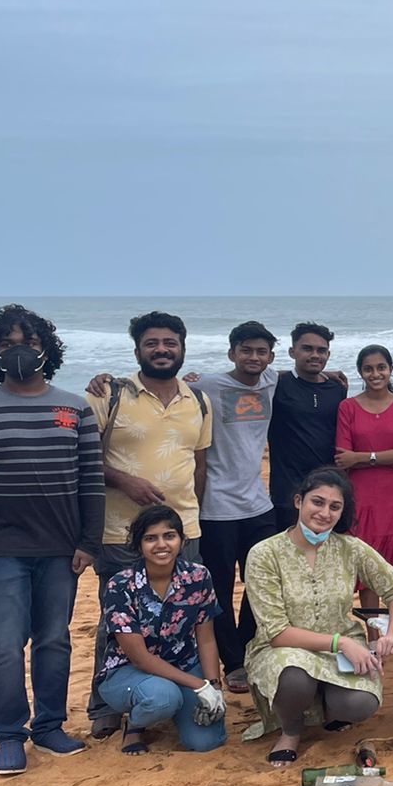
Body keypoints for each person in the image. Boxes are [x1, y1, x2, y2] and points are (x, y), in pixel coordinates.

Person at [0, 305, 102, 774]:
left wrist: (88, 542)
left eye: (30, 344)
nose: (19, 352)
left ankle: (50, 725)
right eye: (7, 345)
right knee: (1, 643)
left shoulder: (74, 409)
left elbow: (91, 481)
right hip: (0, 553)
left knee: (54, 641)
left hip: (61, 551)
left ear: (46, 350)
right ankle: (9, 734)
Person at [86, 311, 213, 738]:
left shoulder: (198, 400)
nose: (162, 350)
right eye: (152, 343)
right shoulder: (110, 394)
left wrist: (193, 514)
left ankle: (175, 691)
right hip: (121, 531)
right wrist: (123, 480)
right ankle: (104, 703)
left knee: (184, 617)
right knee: (117, 619)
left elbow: (199, 463)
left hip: (185, 530)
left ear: (182, 347)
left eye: (170, 343)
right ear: (137, 349)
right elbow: (83, 457)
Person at [242, 468, 393, 765]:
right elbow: (277, 632)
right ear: (298, 501)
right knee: (293, 677)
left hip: (341, 648)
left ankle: (329, 708)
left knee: (361, 704)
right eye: (317, 502)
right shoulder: (264, 554)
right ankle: (291, 730)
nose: (324, 513)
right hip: (286, 649)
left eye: (335, 506)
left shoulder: (350, 548)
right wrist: (341, 643)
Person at [95, 506, 227, 755]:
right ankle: (135, 724)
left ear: (182, 540)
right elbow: (140, 658)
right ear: (138, 545)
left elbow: (206, 638)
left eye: (169, 535)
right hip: (128, 671)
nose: (161, 544)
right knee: (163, 698)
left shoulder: (198, 576)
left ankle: (175, 705)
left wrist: (214, 685)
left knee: (206, 742)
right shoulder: (120, 584)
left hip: (184, 664)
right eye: (150, 538)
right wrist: (199, 686)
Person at [192, 321, 279, 695]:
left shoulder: (273, 380)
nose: (253, 357)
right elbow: (162, 388)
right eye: (246, 350)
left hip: (259, 505)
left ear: (270, 357)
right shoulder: (206, 385)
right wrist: (106, 382)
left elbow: (307, 374)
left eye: (261, 351)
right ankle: (234, 662)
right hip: (216, 508)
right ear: (232, 353)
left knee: (260, 584)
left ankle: (248, 646)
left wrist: (334, 373)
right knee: (221, 588)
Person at [336, 344, 393, 598]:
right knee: (367, 567)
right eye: (368, 369)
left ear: (391, 370)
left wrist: (361, 457)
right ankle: (373, 636)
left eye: (381, 368)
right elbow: (343, 458)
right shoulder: (348, 407)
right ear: (360, 373)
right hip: (361, 497)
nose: (375, 374)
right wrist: (385, 458)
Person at [269, 322, 349, 532]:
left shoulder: (337, 388)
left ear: (328, 355)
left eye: (321, 350)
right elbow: (247, 375)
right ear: (292, 352)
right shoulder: (276, 385)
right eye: (307, 349)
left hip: (329, 488)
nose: (315, 355)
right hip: (287, 489)